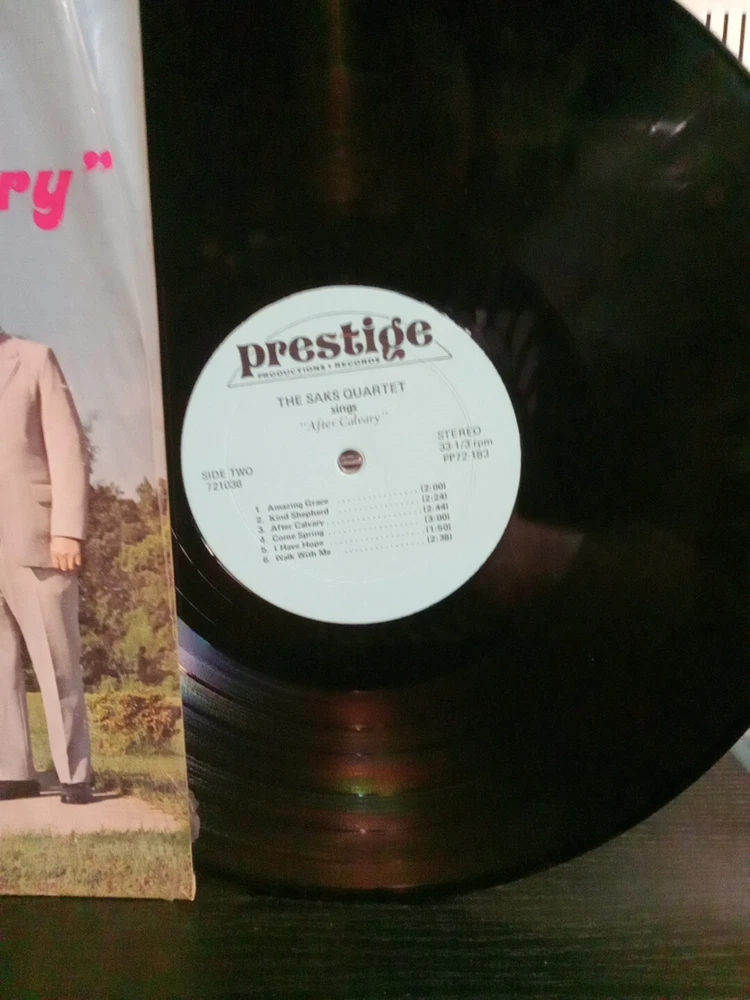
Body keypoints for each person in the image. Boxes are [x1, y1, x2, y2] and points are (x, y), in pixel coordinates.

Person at [0, 331, 93, 804]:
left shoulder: (35, 360)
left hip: (36, 533)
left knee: (57, 661)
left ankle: (74, 774)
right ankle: (12, 771)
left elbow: (68, 448)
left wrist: (67, 530)